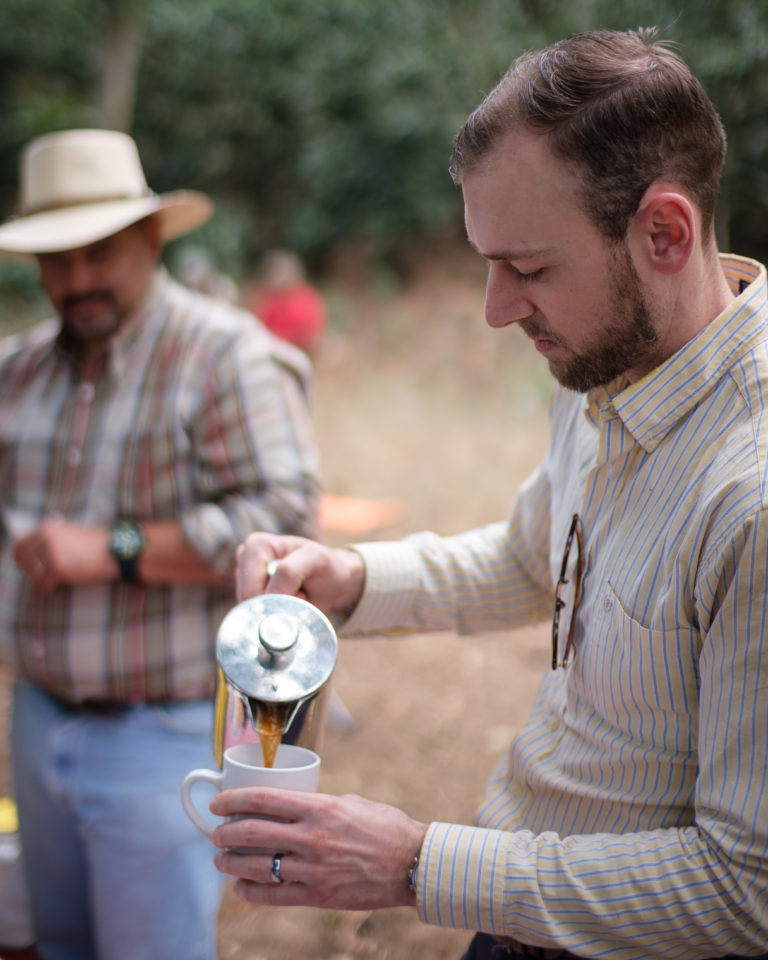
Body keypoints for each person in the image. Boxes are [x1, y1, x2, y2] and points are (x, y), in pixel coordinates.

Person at [209, 28, 768, 960]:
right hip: (512, 921)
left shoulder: (751, 497)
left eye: (531, 268)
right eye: (486, 262)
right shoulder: (604, 375)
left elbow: (747, 889)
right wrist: (347, 578)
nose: (495, 309)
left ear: (665, 232)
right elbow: (526, 559)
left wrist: (418, 866)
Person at [0, 128, 321, 960]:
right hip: (37, 715)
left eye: (97, 253)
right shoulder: (18, 370)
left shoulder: (226, 357)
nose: (76, 281)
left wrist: (115, 548)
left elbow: (284, 520)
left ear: (151, 237)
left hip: (163, 732)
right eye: (55, 260)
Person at [247, 249, 328, 357]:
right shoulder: (268, 299)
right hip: (272, 350)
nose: (276, 278)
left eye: (281, 273)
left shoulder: (307, 299)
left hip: (300, 351)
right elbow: (258, 327)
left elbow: (312, 333)